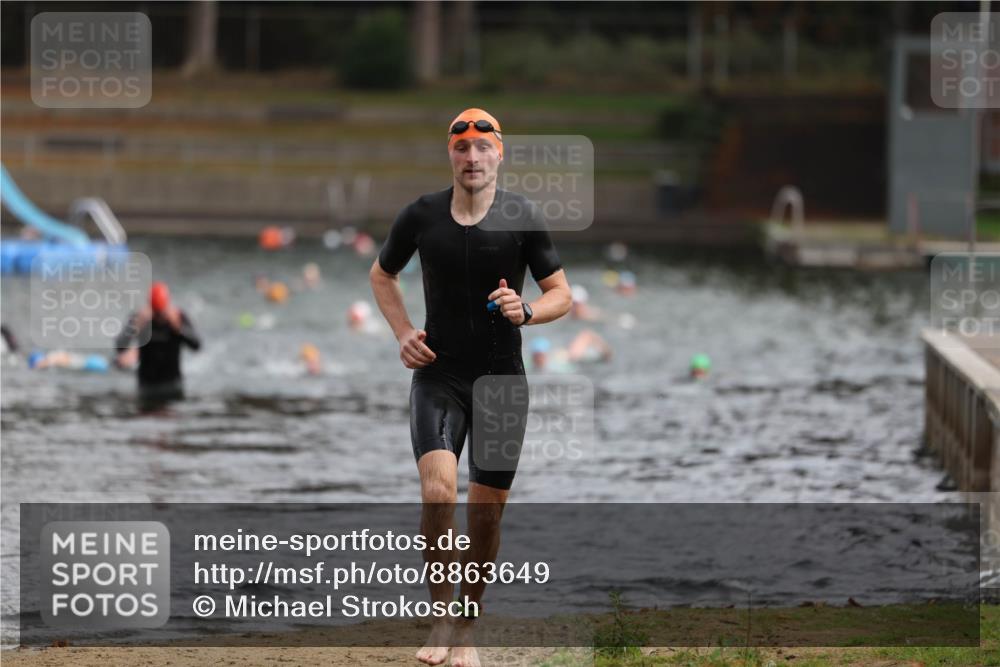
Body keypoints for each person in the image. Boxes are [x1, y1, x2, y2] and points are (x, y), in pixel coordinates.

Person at [370, 108, 571, 667]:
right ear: (451, 155)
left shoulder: (522, 218)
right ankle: (439, 620)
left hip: (502, 382)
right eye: (463, 149)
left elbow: (563, 294)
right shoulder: (421, 215)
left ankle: (466, 627)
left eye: (484, 149)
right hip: (438, 375)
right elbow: (381, 274)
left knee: (485, 517)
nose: (473, 158)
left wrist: (526, 309)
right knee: (438, 493)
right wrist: (404, 331)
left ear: (499, 154)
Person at [115, 282, 201, 409]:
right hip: (146, 386)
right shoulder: (140, 319)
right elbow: (120, 347)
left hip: (173, 384)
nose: (159, 317)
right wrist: (135, 328)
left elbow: (196, 345)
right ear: (150, 306)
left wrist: (179, 329)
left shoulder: (178, 317)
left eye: (162, 312)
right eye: (156, 312)